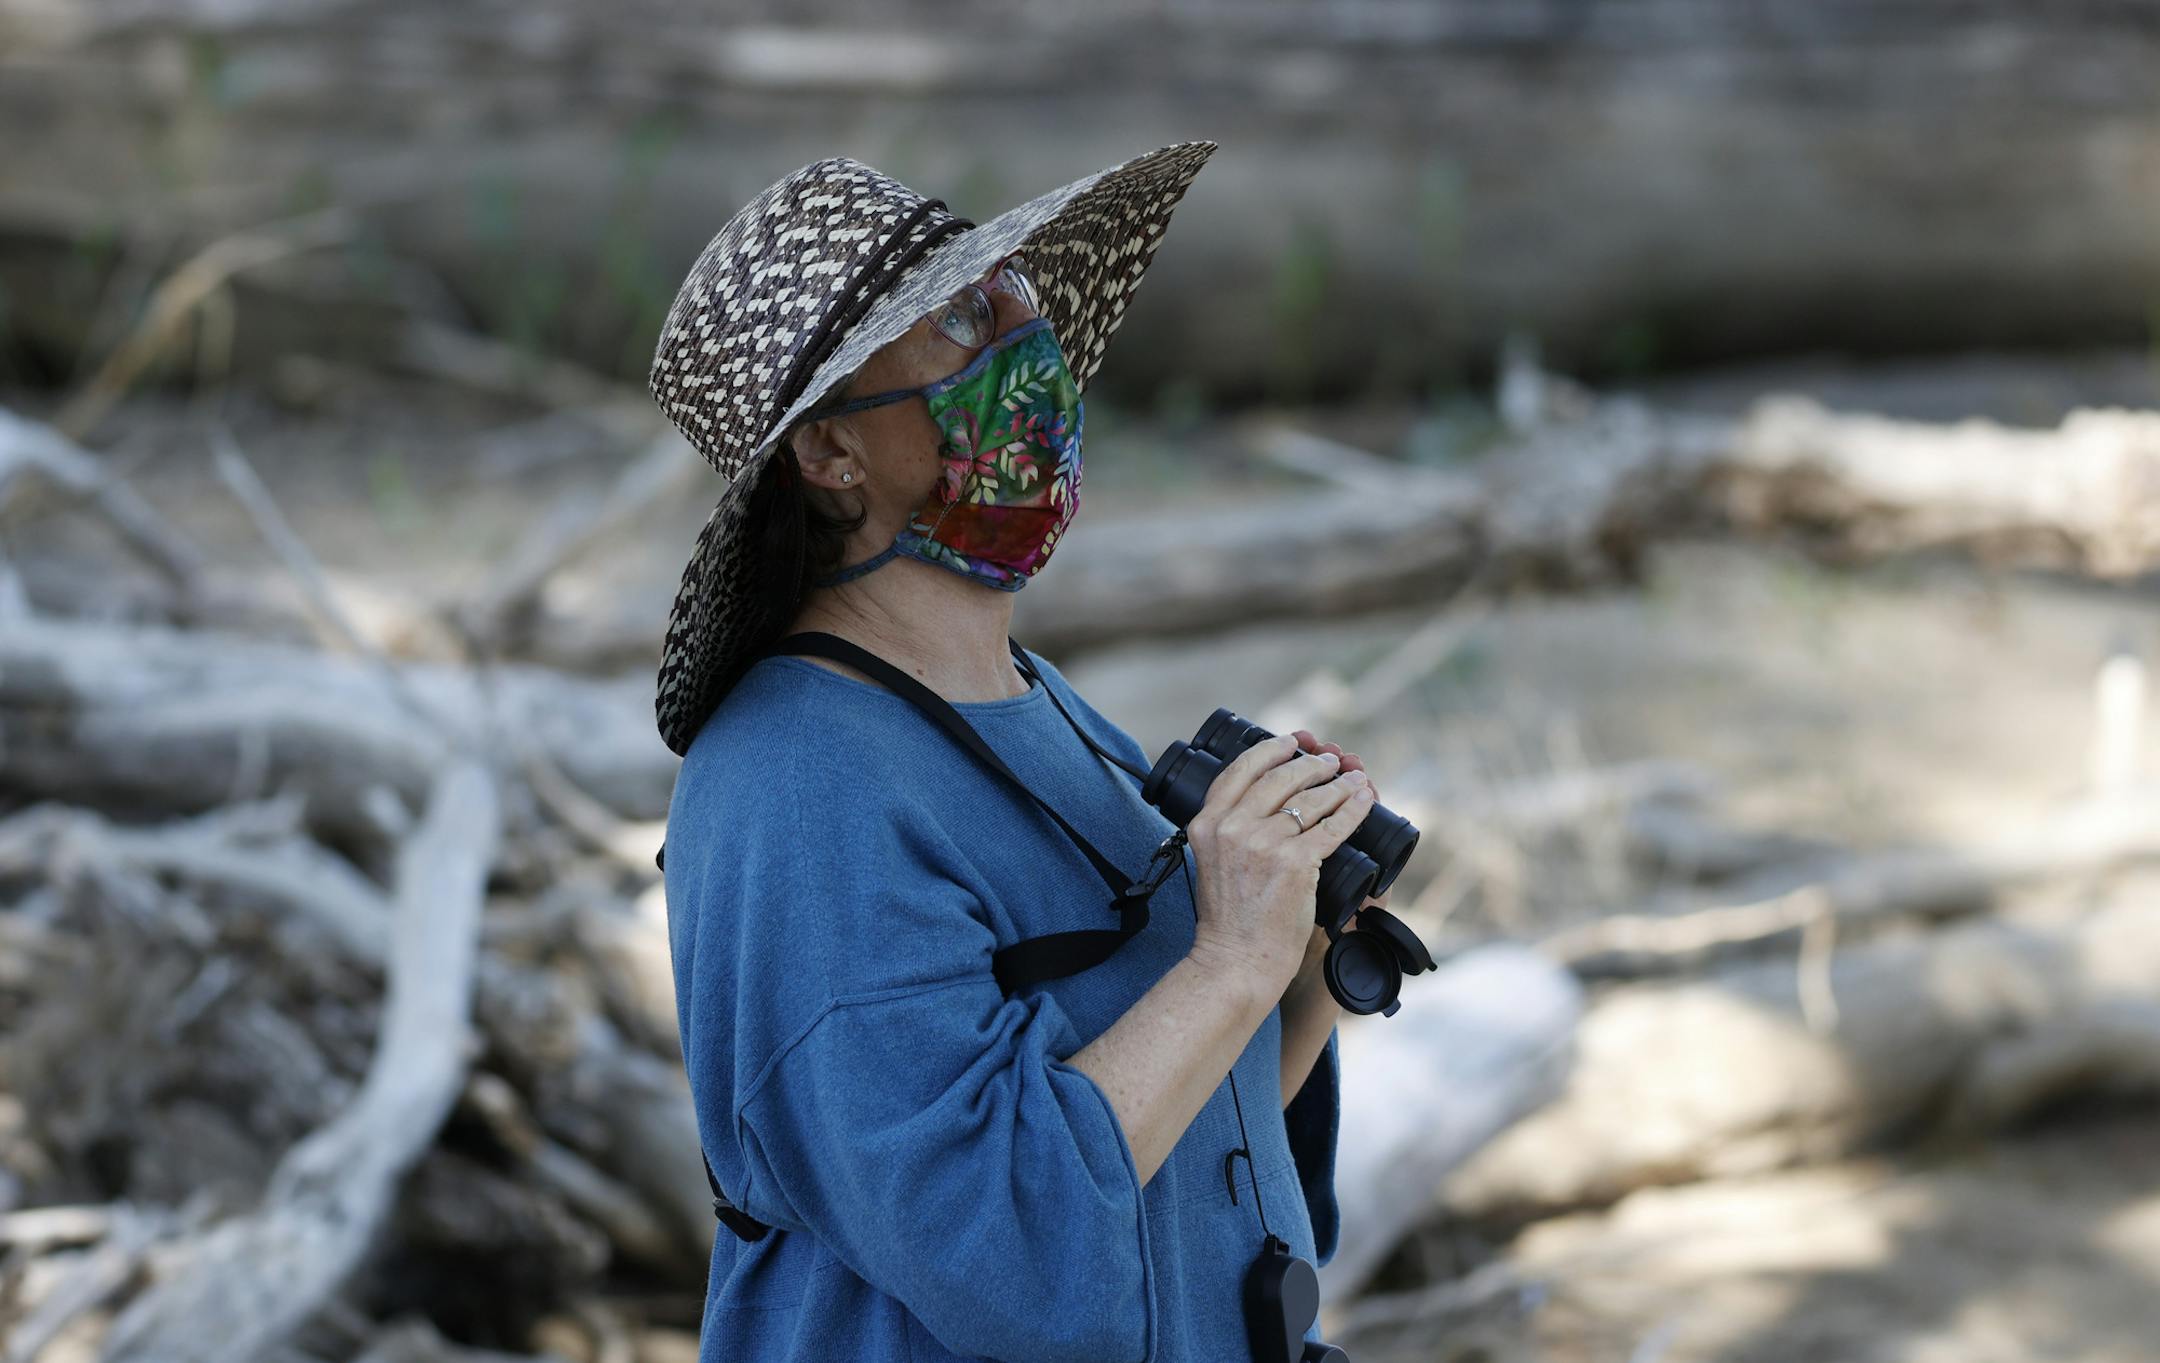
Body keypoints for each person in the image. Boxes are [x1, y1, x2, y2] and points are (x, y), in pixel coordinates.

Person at [650, 142, 1387, 1363]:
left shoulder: (1039, 705)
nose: (1019, 331)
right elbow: (1003, 1246)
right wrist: (1229, 957)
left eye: (1005, 283)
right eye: (953, 316)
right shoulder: (799, 789)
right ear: (830, 455)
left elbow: (1186, 1120)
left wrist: (1299, 956)